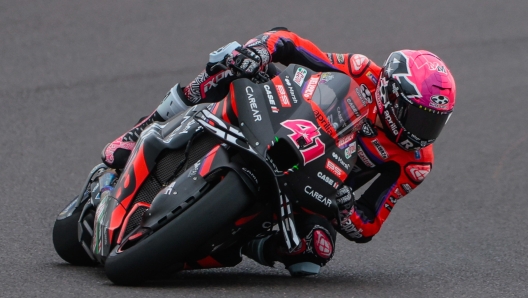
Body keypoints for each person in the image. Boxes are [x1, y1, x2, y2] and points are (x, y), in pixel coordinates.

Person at [101, 27, 456, 276]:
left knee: (315, 253)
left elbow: (370, 222)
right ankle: (143, 129)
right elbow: (291, 43)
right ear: (391, 93)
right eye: (419, 117)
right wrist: (262, 50)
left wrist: (347, 207)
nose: (422, 132)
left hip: (315, 189)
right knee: (230, 62)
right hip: (280, 120)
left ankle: (240, 245)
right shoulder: (363, 71)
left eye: (434, 123)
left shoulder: (415, 162)